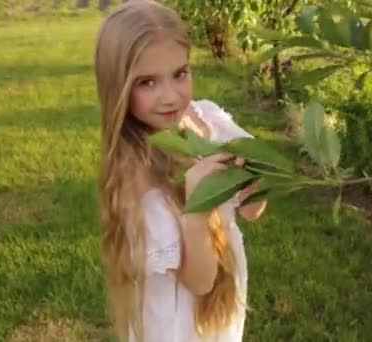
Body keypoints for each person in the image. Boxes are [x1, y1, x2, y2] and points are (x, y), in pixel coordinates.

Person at [93, 1, 267, 341]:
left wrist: (253, 179)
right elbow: (200, 282)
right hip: (177, 322)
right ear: (118, 88)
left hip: (219, 306)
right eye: (147, 82)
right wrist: (196, 212)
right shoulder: (135, 174)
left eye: (180, 74)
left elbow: (251, 210)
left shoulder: (208, 120)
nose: (170, 96)